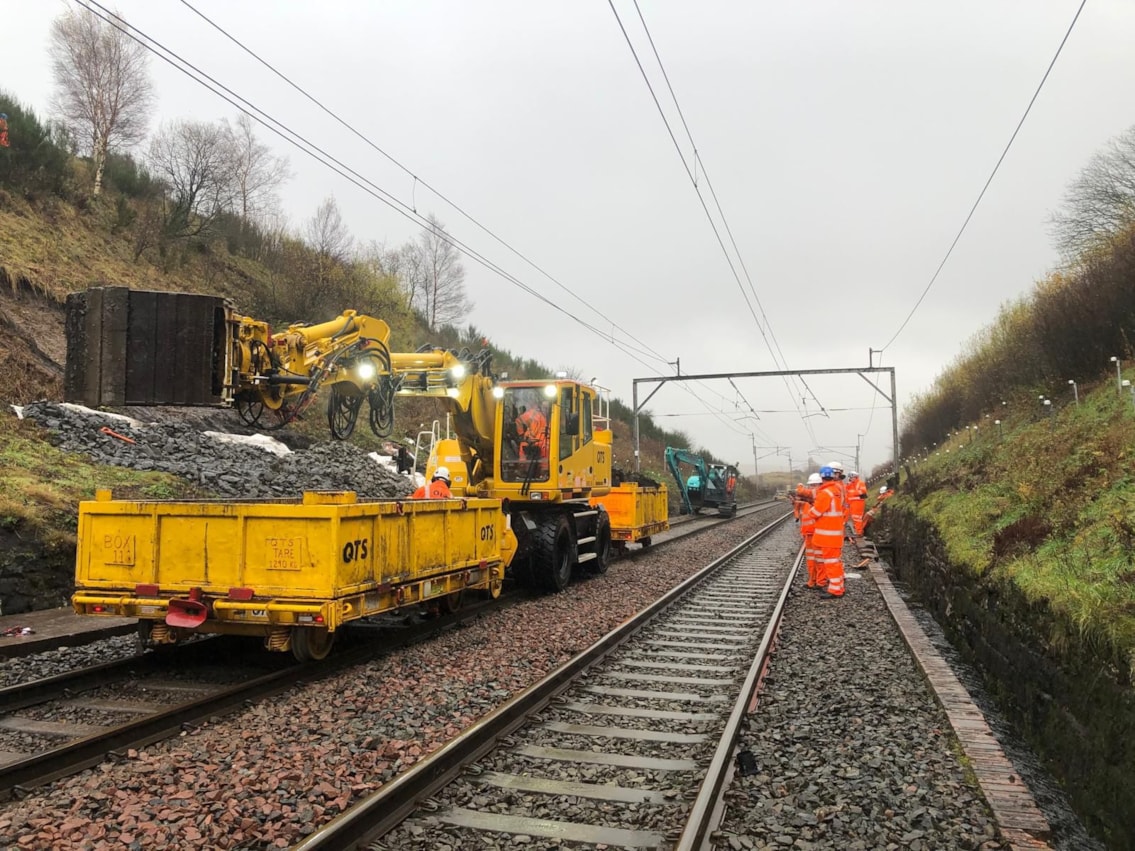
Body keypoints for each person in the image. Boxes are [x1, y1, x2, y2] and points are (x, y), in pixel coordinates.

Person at [807, 465, 846, 598]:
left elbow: (816, 512)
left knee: (831, 563)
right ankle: (839, 586)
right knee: (836, 562)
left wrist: (810, 509)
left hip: (827, 536)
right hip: (835, 534)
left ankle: (835, 590)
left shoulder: (825, 493)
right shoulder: (835, 490)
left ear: (822, 478)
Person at [800, 473, 821, 587]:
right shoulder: (809, 502)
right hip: (809, 535)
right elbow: (805, 518)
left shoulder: (819, 499)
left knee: (819, 560)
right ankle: (812, 581)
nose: (812, 488)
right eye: (810, 486)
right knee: (811, 560)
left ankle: (820, 581)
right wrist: (803, 532)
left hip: (817, 534)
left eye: (814, 485)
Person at [847, 471, 868, 536]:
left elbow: (863, 491)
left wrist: (853, 493)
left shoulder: (860, 483)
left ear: (855, 477)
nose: (850, 479)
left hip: (858, 503)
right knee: (854, 518)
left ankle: (859, 532)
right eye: (850, 478)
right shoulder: (851, 484)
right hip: (852, 503)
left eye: (851, 477)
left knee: (857, 518)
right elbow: (846, 491)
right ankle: (857, 531)